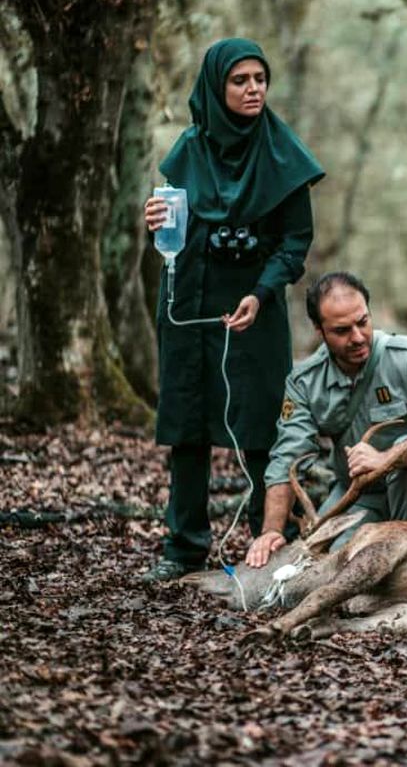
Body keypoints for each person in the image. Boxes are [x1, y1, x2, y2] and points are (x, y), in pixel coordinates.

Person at [140, 38, 325, 582]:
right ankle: (183, 546)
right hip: (189, 304)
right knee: (188, 420)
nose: (253, 90)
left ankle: (270, 537)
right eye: (240, 81)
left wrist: (261, 292)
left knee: (263, 422)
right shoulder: (189, 150)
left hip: (254, 307)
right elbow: (171, 227)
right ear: (217, 87)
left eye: (259, 79)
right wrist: (156, 217)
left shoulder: (282, 153)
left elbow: (295, 243)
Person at [244, 272, 407, 568]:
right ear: (319, 330)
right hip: (360, 494)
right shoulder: (305, 381)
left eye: (363, 322)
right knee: (328, 561)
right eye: (341, 330)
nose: (358, 337)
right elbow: (287, 456)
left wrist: (387, 458)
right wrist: (271, 530)